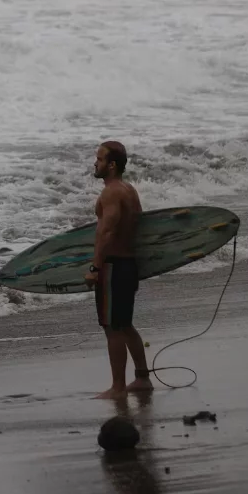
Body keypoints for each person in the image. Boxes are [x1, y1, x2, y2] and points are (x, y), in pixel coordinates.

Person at [84, 141, 152, 399]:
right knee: (124, 325)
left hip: (113, 267)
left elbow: (107, 231)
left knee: (112, 328)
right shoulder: (129, 190)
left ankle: (118, 387)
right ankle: (142, 379)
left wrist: (94, 267)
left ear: (112, 165)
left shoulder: (111, 193)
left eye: (100, 159)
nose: (95, 163)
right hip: (128, 265)